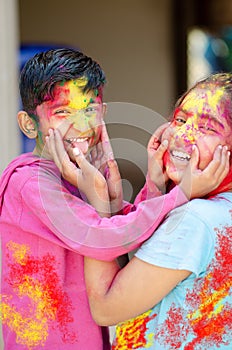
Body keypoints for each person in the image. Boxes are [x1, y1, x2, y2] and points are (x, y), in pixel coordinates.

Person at [0, 48, 228, 350]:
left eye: (89, 110)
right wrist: (182, 193)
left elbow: (125, 231)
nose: (80, 125)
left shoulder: (75, 174)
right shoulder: (29, 183)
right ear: (30, 124)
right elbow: (104, 236)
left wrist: (154, 183)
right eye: (62, 112)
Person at [81, 72, 232, 349]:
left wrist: (98, 204)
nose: (184, 135)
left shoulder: (195, 220)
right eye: (181, 120)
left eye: (208, 128)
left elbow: (105, 308)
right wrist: (156, 186)